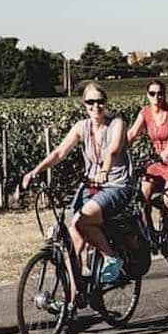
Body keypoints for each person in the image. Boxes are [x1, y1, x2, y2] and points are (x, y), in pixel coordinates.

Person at [22, 82, 135, 285]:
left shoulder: (117, 123)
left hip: (116, 185)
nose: (95, 106)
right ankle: (75, 295)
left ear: (106, 102)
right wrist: (35, 171)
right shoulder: (82, 127)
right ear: (84, 104)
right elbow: (59, 152)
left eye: (100, 101)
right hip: (92, 185)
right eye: (90, 102)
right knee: (73, 233)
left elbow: (113, 150)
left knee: (82, 221)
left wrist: (104, 171)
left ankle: (111, 257)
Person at [127, 79, 168, 250]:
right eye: (152, 93)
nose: (156, 97)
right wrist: (116, 149)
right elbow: (132, 133)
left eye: (160, 93)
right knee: (142, 196)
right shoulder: (145, 113)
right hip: (158, 162)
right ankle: (149, 235)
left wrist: (167, 150)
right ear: (147, 95)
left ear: (164, 94)